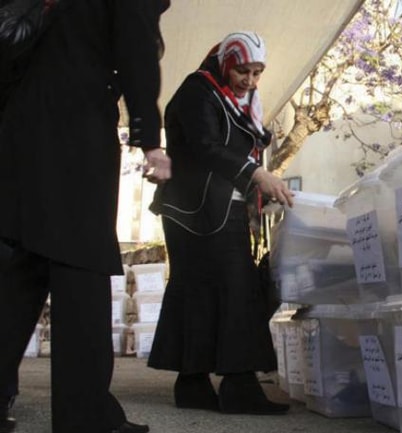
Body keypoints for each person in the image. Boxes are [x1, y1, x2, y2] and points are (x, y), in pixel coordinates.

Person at [0, 1, 172, 433]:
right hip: (74, 132)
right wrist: (150, 140)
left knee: (23, 270)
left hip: (21, 129)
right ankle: (86, 417)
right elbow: (135, 48)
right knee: (81, 271)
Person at [147, 31, 294, 415]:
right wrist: (257, 175)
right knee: (235, 290)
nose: (250, 80)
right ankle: (239, 385)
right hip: (197, 210)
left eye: (257, 72)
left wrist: (255, 186)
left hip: (214, 208)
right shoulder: (199, 92)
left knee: (199, 293)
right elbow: (205, 146)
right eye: (243, 70)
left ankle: (192, 383)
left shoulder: (234, 100)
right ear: (226, 62)